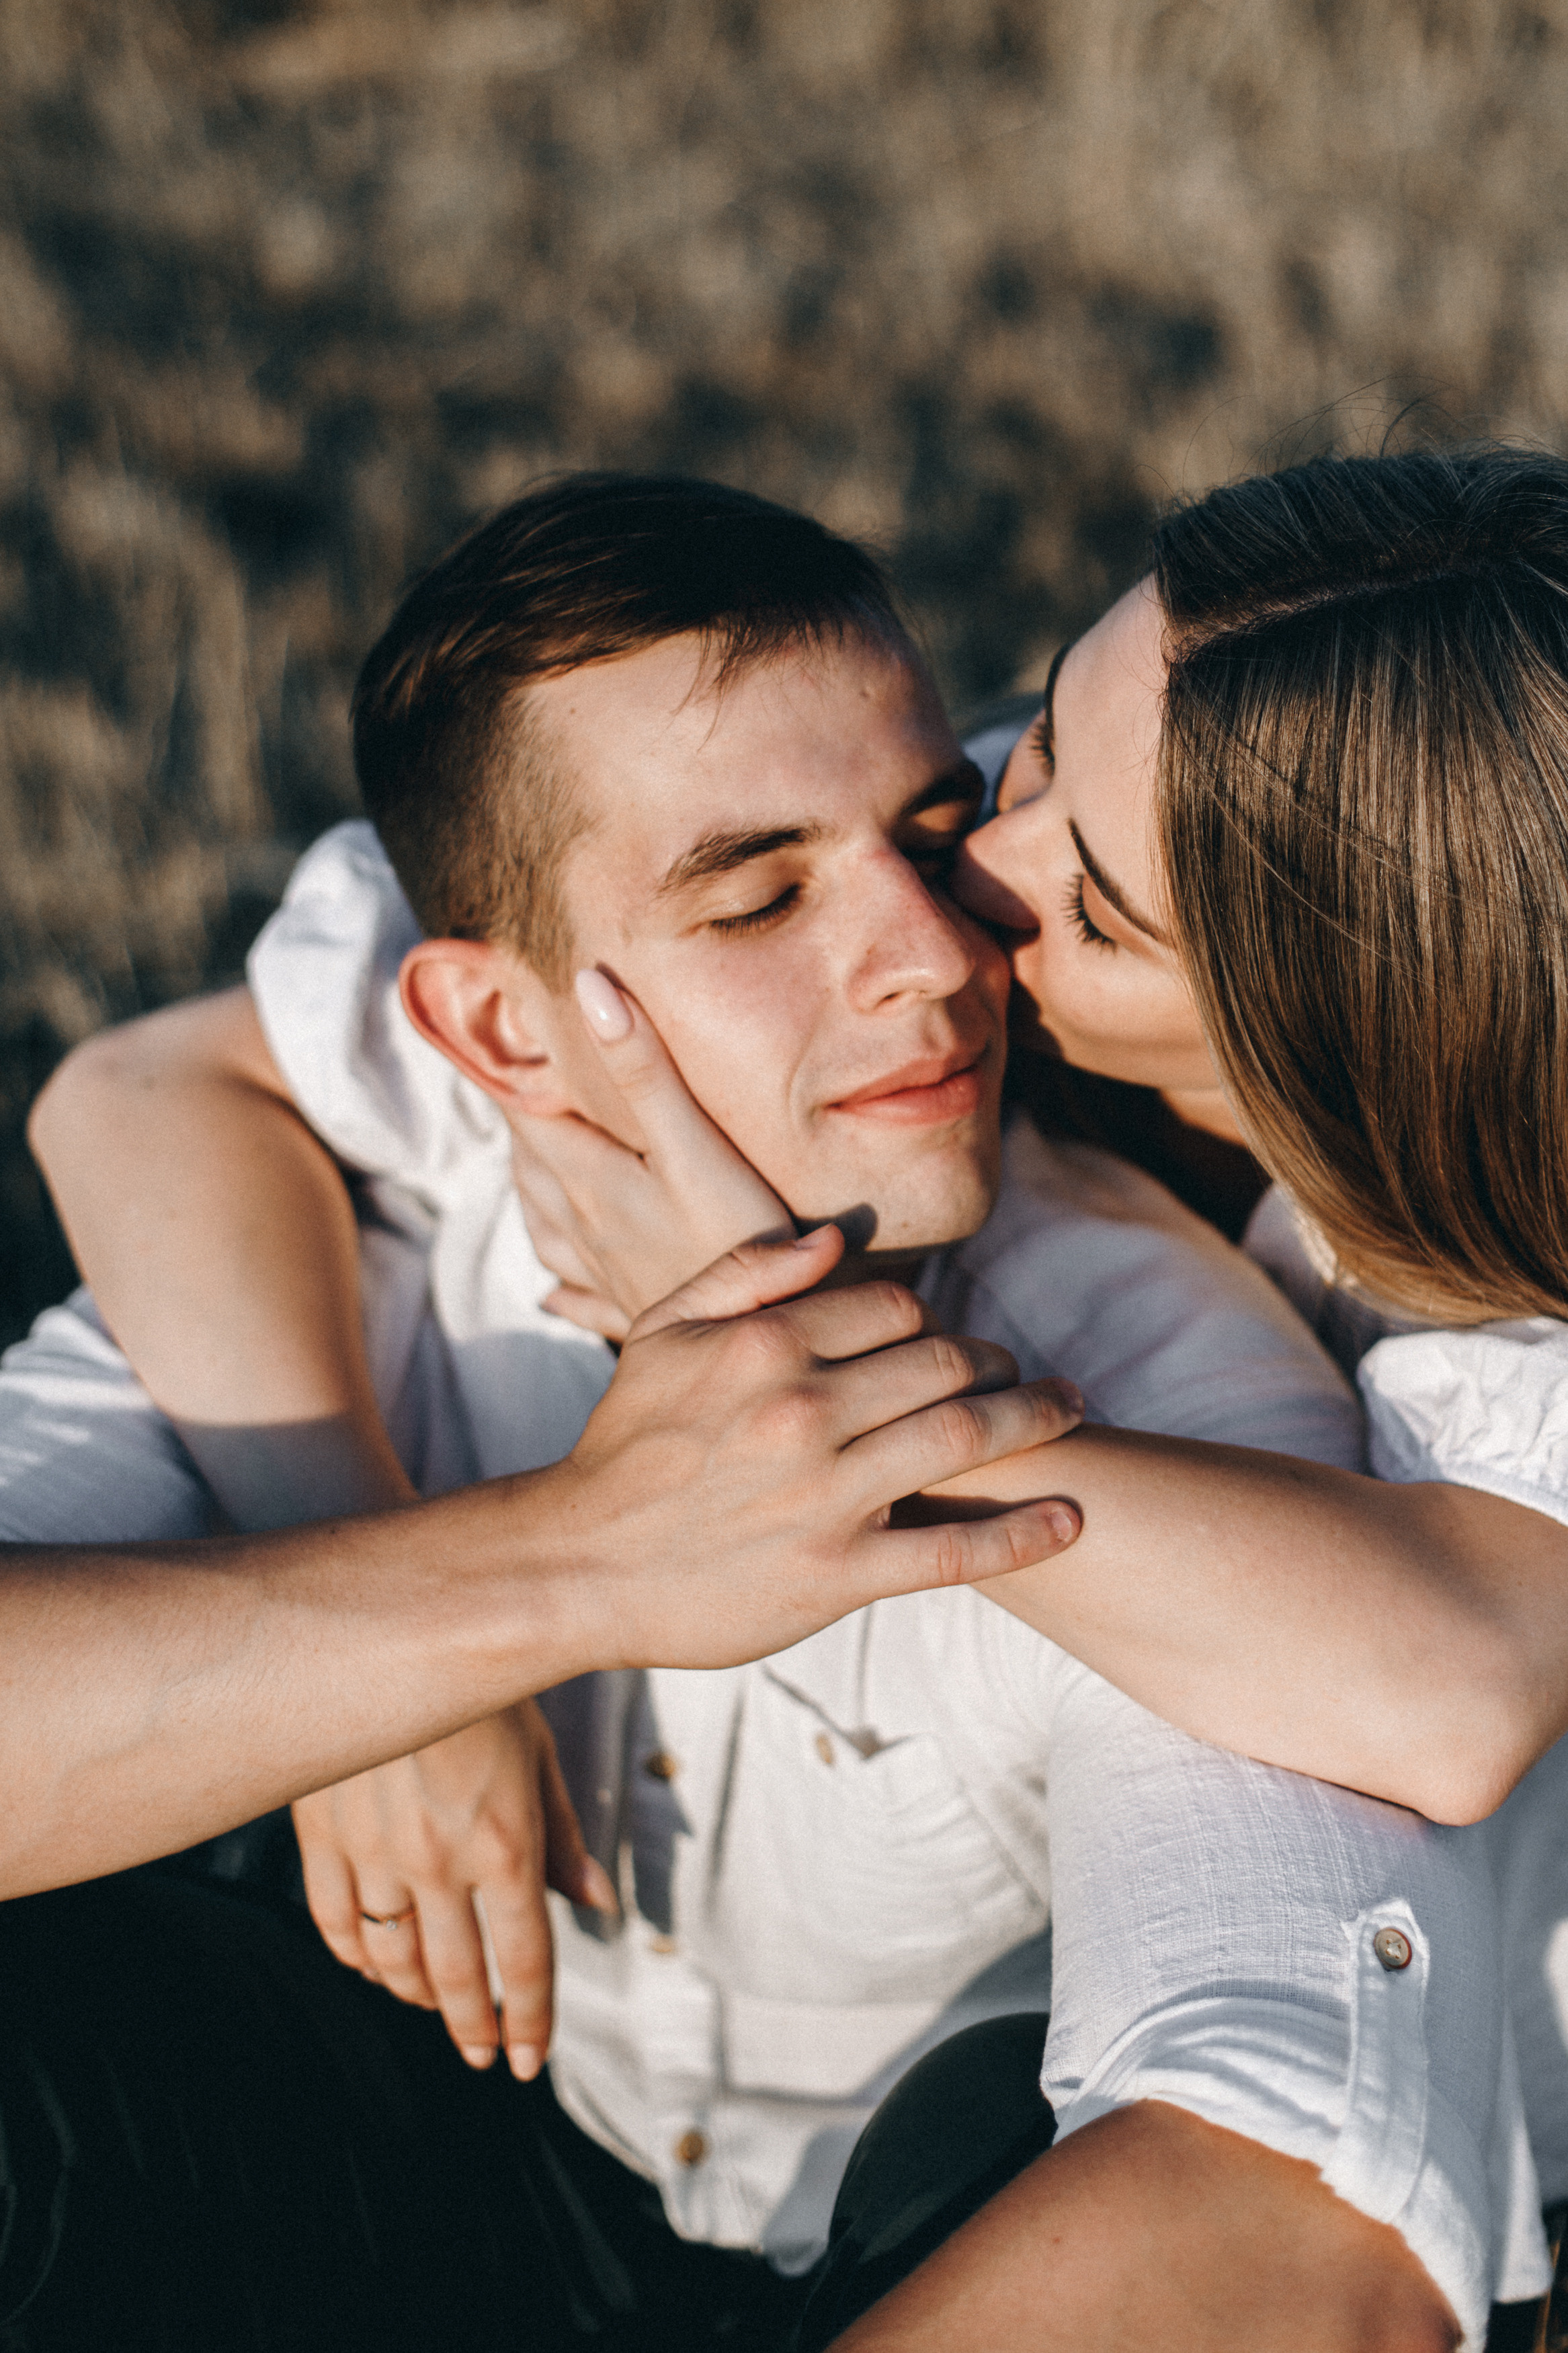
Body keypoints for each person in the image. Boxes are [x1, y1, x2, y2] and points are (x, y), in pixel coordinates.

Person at [15, 474, 1536, 2348]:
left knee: (978, 2130)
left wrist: (837, 1385)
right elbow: (140, 1087)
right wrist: (454, 1607)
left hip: (908, 2239)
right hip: (497, 2135)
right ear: (499, 1030)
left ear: (1321, 1023)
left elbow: (1313, 2113)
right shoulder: (431, 1168)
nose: (955, 934)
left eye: (1084, 898)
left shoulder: (1231, 1388)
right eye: (1024, 752)